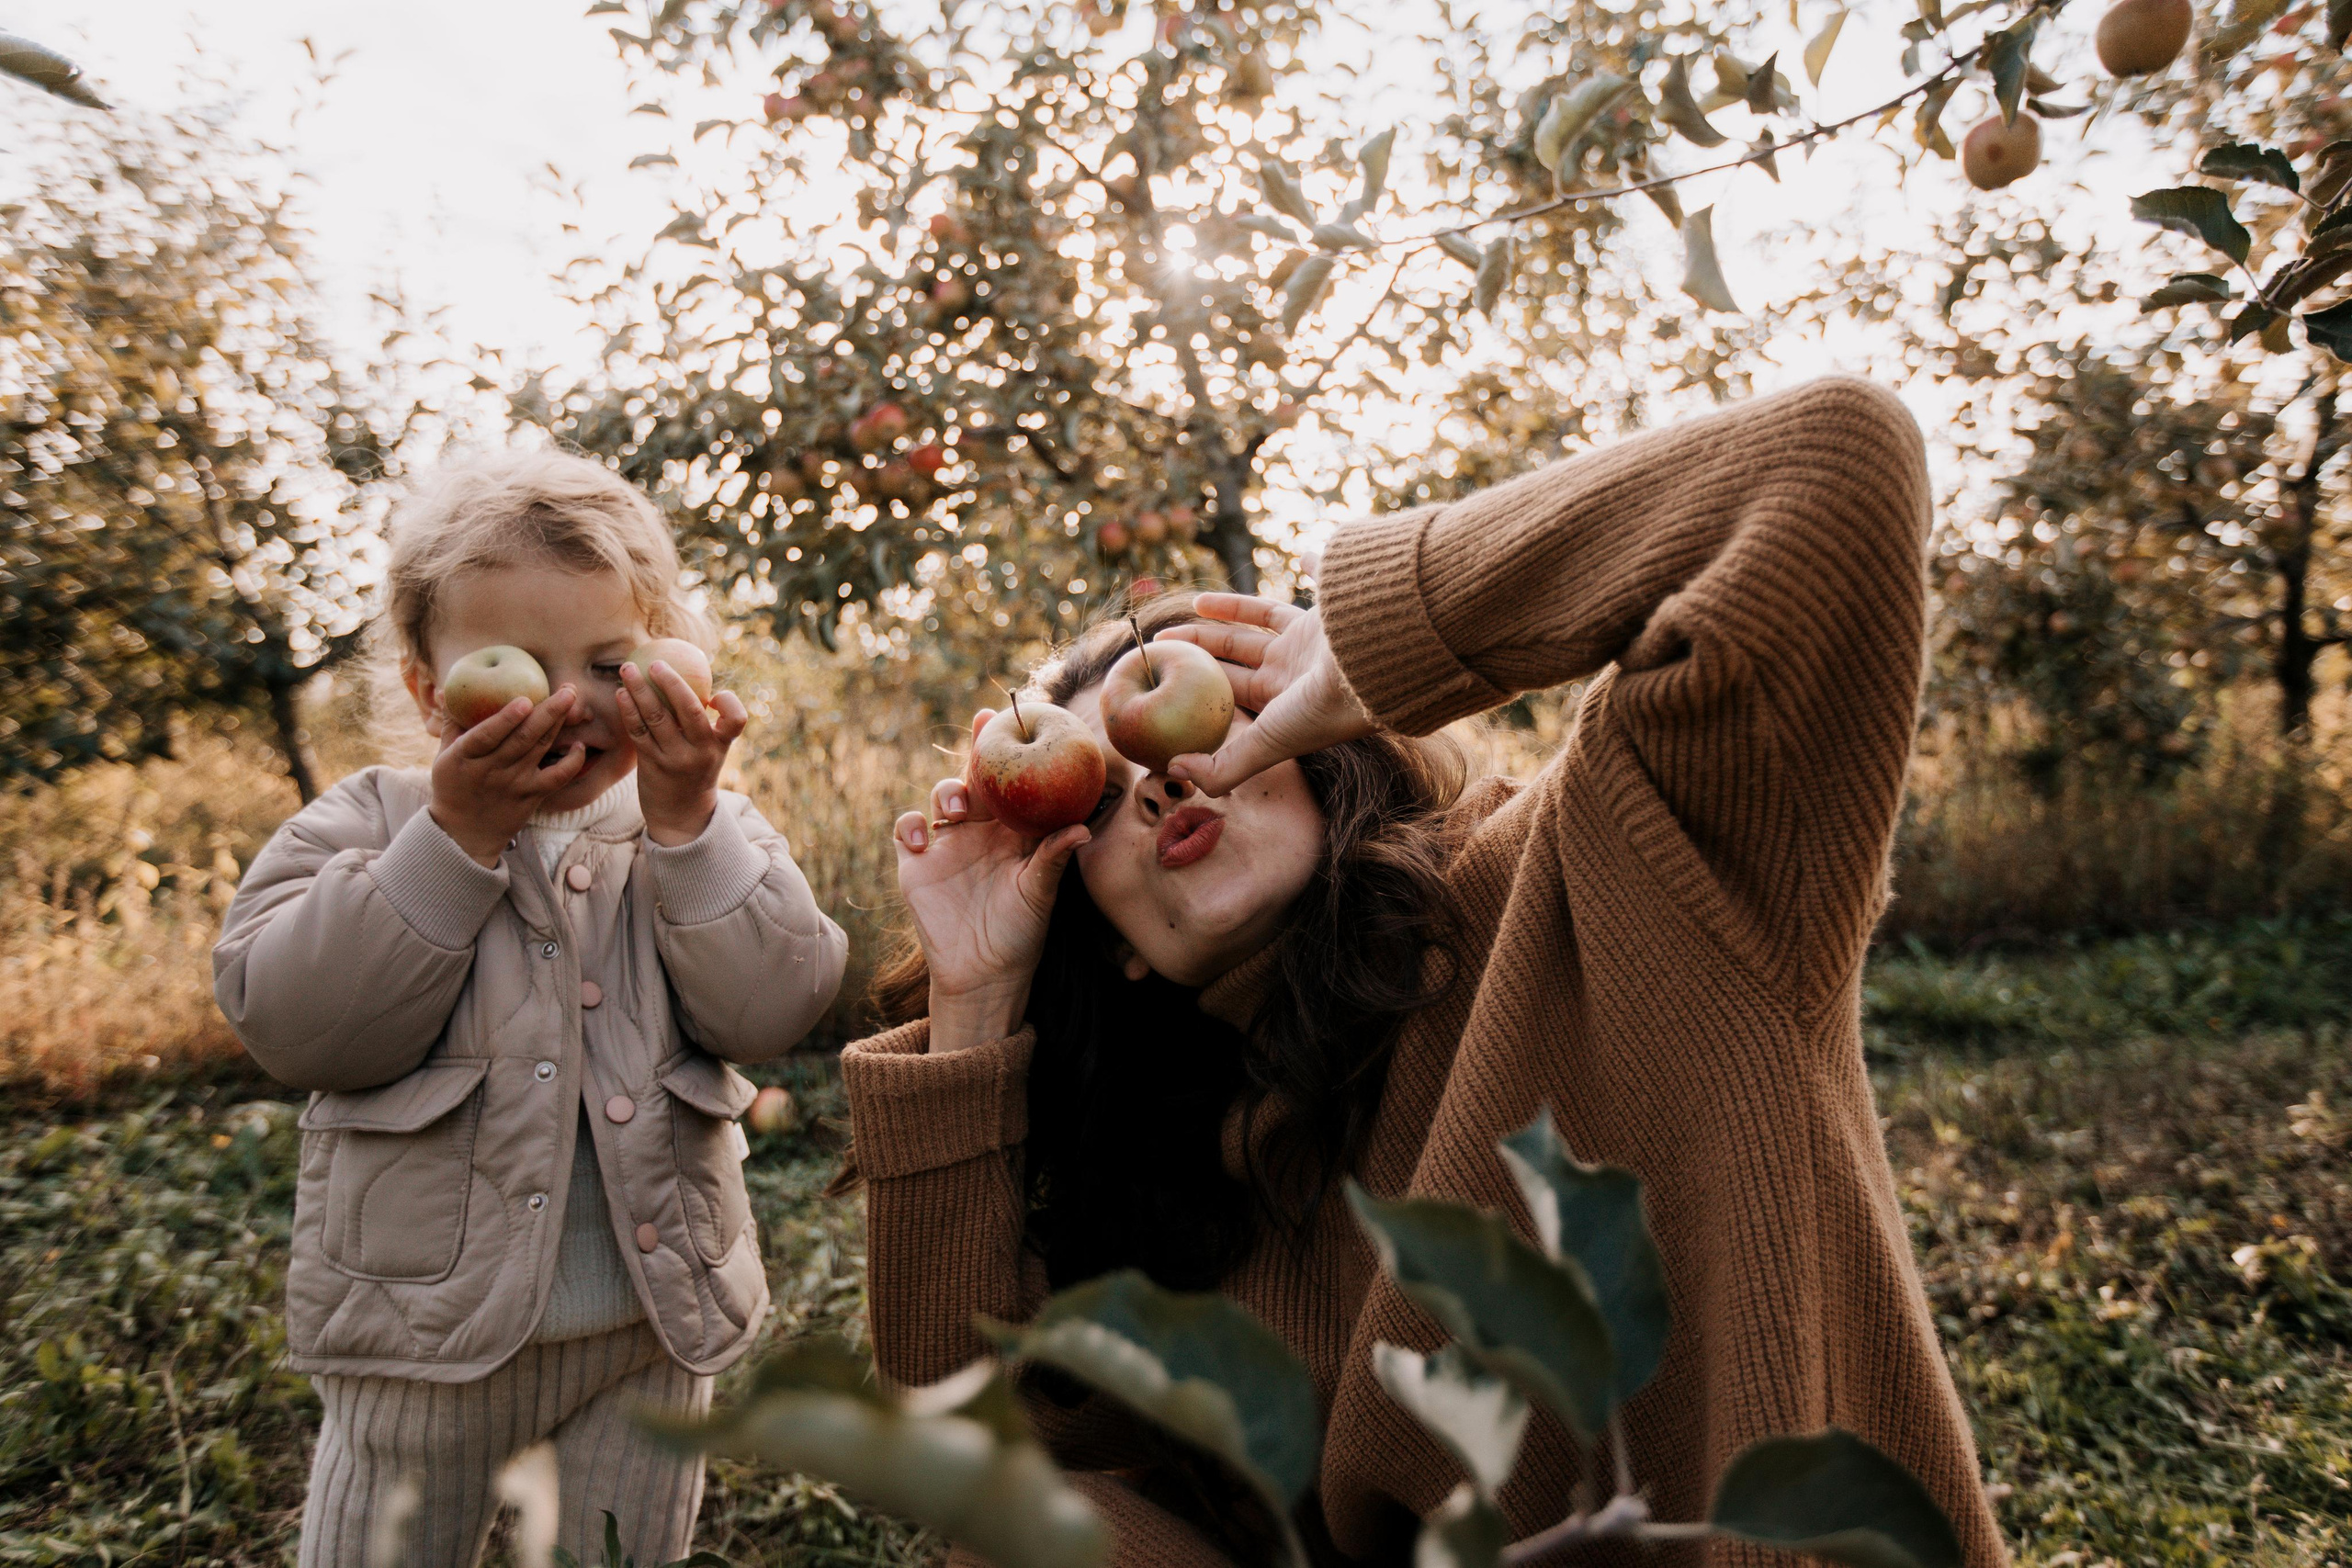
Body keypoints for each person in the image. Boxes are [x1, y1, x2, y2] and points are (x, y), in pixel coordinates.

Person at [843, 378, 2007, 1565]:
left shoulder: (1618, 859)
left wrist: (1385, 637)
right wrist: (976, 994)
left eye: (1187, 724)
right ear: (1113, 948)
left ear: (1306, 738)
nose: (1154, 782)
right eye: (1095, 799)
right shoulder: (1190, 1193)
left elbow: (1835, 463)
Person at [212, 451, 847, 1567]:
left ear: (667, 661)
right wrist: (453, 846)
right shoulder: (370, 826)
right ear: (427, 691)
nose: (565, 701)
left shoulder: (701, 826)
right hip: (423, 1341)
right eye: (515, 663)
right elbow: (294, 1022)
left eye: (607, 661)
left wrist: (691, 824)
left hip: (651, 1336)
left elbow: (773, 1006)